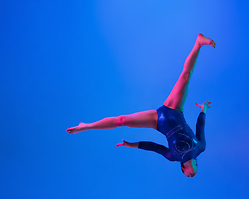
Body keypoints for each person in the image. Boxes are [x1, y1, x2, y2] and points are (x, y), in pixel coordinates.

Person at [67, 34, 215, 177]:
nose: (192, 175)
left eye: (188, 176)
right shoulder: (200, 147)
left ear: (183, 169)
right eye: (193, 174)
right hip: (174, 109)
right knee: (185, 77)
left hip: (157, 121)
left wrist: (132, 145)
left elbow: (153, 147)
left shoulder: (173, 156)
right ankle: (198, 43)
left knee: (122, 121)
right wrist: (203, 110)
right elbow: (200, 127)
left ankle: (86, 126)